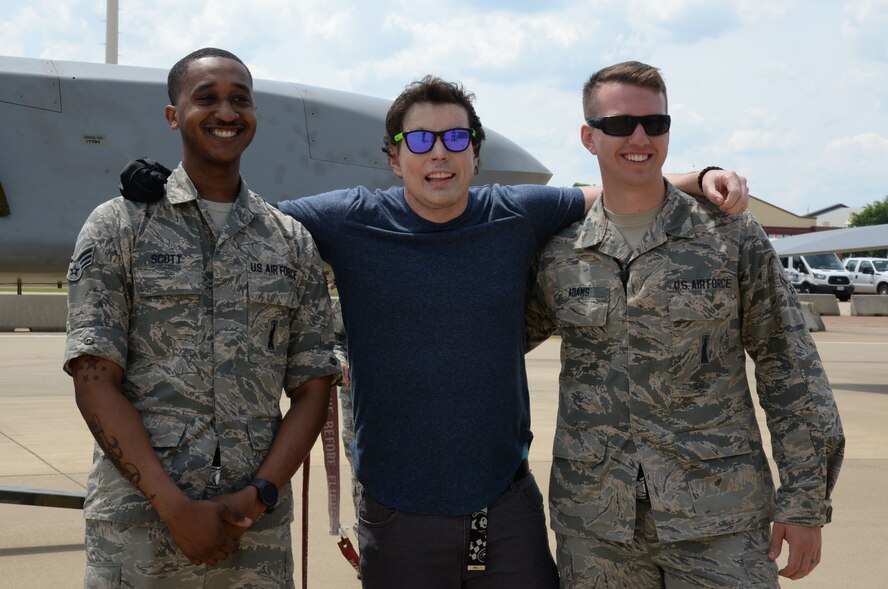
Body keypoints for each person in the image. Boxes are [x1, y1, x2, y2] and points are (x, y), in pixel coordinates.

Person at [120, 74, 748, 588]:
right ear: (393, 156)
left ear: (476, 151)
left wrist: (705, 176)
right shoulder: (347, 219)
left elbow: (616, 186)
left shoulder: (516, 213)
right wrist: (164, 192)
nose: (439, 154)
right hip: (398, 509)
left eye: (455, 138)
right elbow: (248, 222)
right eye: (419, 141)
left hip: (504, 502)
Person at [525, 61, 845, 588]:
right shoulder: (559, 249)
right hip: (597, 526)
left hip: (719, 519)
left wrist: (805, 501)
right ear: (589, 137)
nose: (639, 138)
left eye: (655, 124)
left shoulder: (730, 237)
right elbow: (488, 343)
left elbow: (790, 369)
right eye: (618, 124)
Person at [64, 47, 339, 587]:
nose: (227, 112)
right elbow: (94, 379)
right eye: (206, 98)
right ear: (173, 115)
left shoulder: (289, 241)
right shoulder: (119, 226)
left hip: (253, 534)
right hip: (139, 529)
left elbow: (313, 387)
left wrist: (258, 496)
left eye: (241, 99)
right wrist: (175, 508)